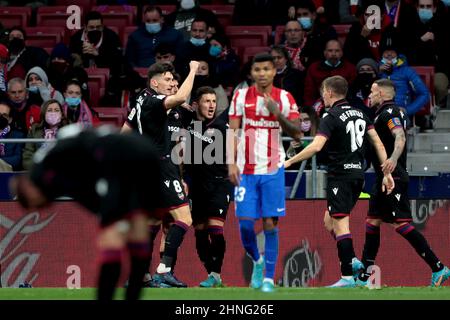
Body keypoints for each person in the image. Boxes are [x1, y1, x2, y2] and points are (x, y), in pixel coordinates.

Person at [12, 125, 162, 300]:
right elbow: (86, 194)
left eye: (33, 204)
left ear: (29, 189)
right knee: (138, 229)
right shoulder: (57, 177)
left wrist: (107, 212)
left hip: (119, 157)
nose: (40, 208)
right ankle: (133, 294)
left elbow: (77, 142)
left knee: (112, 235)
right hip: (146, 153)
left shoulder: (44, 169)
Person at [284, 75, 394, 288]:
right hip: (358, 177)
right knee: (329, 220)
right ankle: (352, 259)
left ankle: (347, 275)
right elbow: (379, 144)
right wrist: (386, 172)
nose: (322, 96)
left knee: (341, 223)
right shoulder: (362, 113)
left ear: (330, 92)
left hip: (340, 177)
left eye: (323, 92)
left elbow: (316, 147)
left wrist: (289, 162)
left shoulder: (331, 115)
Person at [355, 79, 450, 287]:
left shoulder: (391, 113)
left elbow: (399, 136)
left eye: (372, 91)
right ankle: (364, 276)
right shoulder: (384, 112)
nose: (369, 96)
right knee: (372, 222)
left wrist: (393, 159)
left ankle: (438, 267)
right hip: (383, 177)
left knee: (401, 224)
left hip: (393, 176)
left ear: (380, 92)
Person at [228, 53, 302, 293]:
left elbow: (298, 134)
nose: (262, 74)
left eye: (266, 69)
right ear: (252, 72)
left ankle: (269, 279)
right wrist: (230, 162)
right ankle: (257, 261)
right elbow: (232, 130)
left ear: (274, 71)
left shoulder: (285, 97)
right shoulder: (240, 96)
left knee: (270, 222)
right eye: (257, 69)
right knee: (246, 226)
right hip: (246, 170)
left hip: (273, 168)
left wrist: (276, 113)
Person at [121, 61, 199, 288]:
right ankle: (164, 270)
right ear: (154, 82)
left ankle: (141, 274)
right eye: (167, 80)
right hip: (161, 167)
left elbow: (124, 134)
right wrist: (193, 69)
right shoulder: (153, 101)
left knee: (153, 221)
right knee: (184, 218)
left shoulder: (139, 101)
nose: (171, 84)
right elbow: (180, 97)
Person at [184, 86, 232, 287]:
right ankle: (212, 274)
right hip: (196, 187)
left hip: (218, 186)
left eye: (214, 101)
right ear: (197, 104)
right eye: (207, 101)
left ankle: (215, 273)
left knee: (216, 229)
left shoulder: (222, 126)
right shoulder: (190, 125)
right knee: (200, 232)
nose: (211, 105)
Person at [22, 99, 69, 170]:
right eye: (49, 110)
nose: (53, 113)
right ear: (44, 113)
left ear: (61, 114)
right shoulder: (34, 130)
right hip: (40, 171)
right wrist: (39, 169)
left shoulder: (68, 130)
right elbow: (27, 156)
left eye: (56, 110)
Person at [0, 100, 25, 171]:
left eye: (4, 115)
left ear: (10, 119)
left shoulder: (18, 136)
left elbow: (17, 159)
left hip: (8, 172)